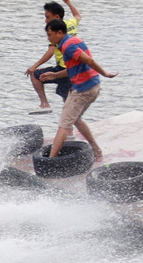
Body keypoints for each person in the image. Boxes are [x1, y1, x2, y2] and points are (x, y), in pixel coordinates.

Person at [42, 18, 118, 162]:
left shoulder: (67, 46)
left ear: (59, 32)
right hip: (93, 86)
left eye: (50, 35)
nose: (48, 38)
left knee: (64, 124)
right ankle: (96, 150)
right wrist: (54, 75)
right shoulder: (74, 40)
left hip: (83, 89)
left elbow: (89, 61)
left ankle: (49, 163)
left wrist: (105, 73)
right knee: (75, 119)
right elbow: (73, 68)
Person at [25, 0, 81, 114]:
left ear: (56, 17)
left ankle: (44, 104)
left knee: (35, 75)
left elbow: (51, 51)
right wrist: (68, 2)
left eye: (47, 17)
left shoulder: (57, 31)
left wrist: (34, 66)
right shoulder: (71, 24)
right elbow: (77, 16)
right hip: (73, 70)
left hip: (63, 68)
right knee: (67, 103)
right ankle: (69, 131)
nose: (45, 21)